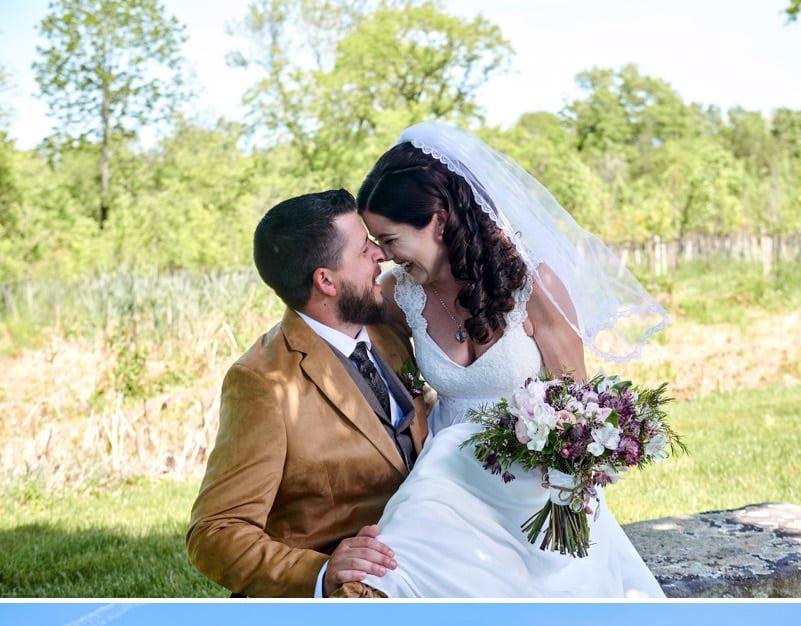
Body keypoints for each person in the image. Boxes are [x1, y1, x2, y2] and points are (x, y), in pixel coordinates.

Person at [334, 125, 670, 599]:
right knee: (397, 561)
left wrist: (570, 480)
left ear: (439, 221)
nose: (384, 256)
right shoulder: (399, 294)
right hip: (449, 479)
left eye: (390, 240)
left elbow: (578, 401)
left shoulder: (532, 284)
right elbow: (340, 335)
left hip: (535, 478)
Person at [186, 190, 430, 597]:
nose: (380, 254)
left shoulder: (388, 331)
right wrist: (322, 572)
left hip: (426, 558)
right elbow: (215, 531)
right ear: (326, 281)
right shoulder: (262, 382)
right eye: (363, 249)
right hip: (351, 598)